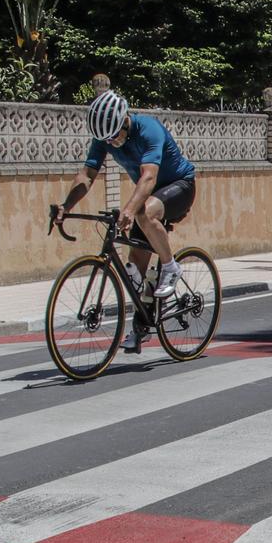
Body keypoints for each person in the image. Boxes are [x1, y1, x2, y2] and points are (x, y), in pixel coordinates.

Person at [55, 89, 198, 353]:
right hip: (150, 197)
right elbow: (86, 175)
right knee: (136, 269)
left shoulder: (148, 130)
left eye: (114, 135)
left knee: (143, 212)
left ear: (124, 120)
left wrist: (130, 210)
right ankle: (141, 328)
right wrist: (66, 206)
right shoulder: (105, 139)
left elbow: (148, 179)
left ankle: (170, 267)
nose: (111, 142)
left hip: (180, 186)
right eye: (105, 139)